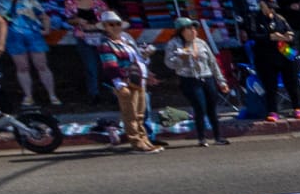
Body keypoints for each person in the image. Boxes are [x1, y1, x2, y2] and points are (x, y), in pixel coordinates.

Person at [0, 0, 60, 107]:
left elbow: (44, 16)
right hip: (13, 36)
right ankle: (28, 96)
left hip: (33, 34)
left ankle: (52, 94)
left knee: (41, 65)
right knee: (22, 67)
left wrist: (46, 29)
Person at [163, 18, 231, 146]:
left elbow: (212, 63)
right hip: (189, 79)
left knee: (212, 107)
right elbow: (169, 63)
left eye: (194, 28)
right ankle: (202, 137)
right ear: (181, 31)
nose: (193, 31)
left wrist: (221, 81)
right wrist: (180, 59)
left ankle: (218, 136)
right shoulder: (174, 44)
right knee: (200, 106)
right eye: (189, 28)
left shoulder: (201, 43)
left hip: (207, 77)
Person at [96, 11, 157, 153]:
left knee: (140, 114)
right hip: (125, 81)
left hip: (137, 80)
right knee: (130, 114)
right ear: (105, 27)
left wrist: (146, 58)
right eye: (111, 25)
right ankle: (136, 142)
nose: (115, 27)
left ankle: (144, 140)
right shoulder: (106, 45)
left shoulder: (126, 41)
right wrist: (119, 84)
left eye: (118, 24)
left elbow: (138, 60)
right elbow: (110, 66)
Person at [249, 0, 300, 121]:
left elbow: (289, 34)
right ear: (262, 4)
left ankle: (297, 108)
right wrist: (270, 37)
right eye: (269, 6)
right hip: (266, 53)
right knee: (270, 84)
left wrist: (284, 37)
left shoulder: (280, 18)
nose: (271, 9)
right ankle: (272, 111)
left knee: (292, 80)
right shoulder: (255, 18)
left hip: (283, 49)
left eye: (273, 7)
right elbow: (253, 36)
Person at [62, 0, 109, 102]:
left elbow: (106, 17)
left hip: (101, 36)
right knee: (90, 66)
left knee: (106, 64)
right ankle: (94, 93)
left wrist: (96, 25)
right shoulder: (70, 2)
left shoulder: (97, 1)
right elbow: (68, 19)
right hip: (84, 37)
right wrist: (77, 20)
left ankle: (110, 91)